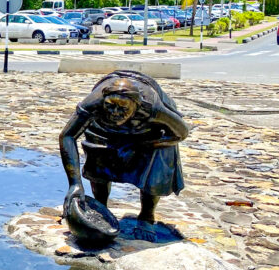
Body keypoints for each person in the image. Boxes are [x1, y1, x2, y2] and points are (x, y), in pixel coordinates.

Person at [59, 70, 189, 226]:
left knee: (157, 160)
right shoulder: (93, 104)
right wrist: (75, 183)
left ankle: (147, 215)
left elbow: (181, 133)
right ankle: (100, 208)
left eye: (122, 109)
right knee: (98, 156)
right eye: (110, 106)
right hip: (103, 129)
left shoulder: (153, 108)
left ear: (136, 105)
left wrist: (147, 145)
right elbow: (67, 136)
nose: (115, 113)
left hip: (147, 132)